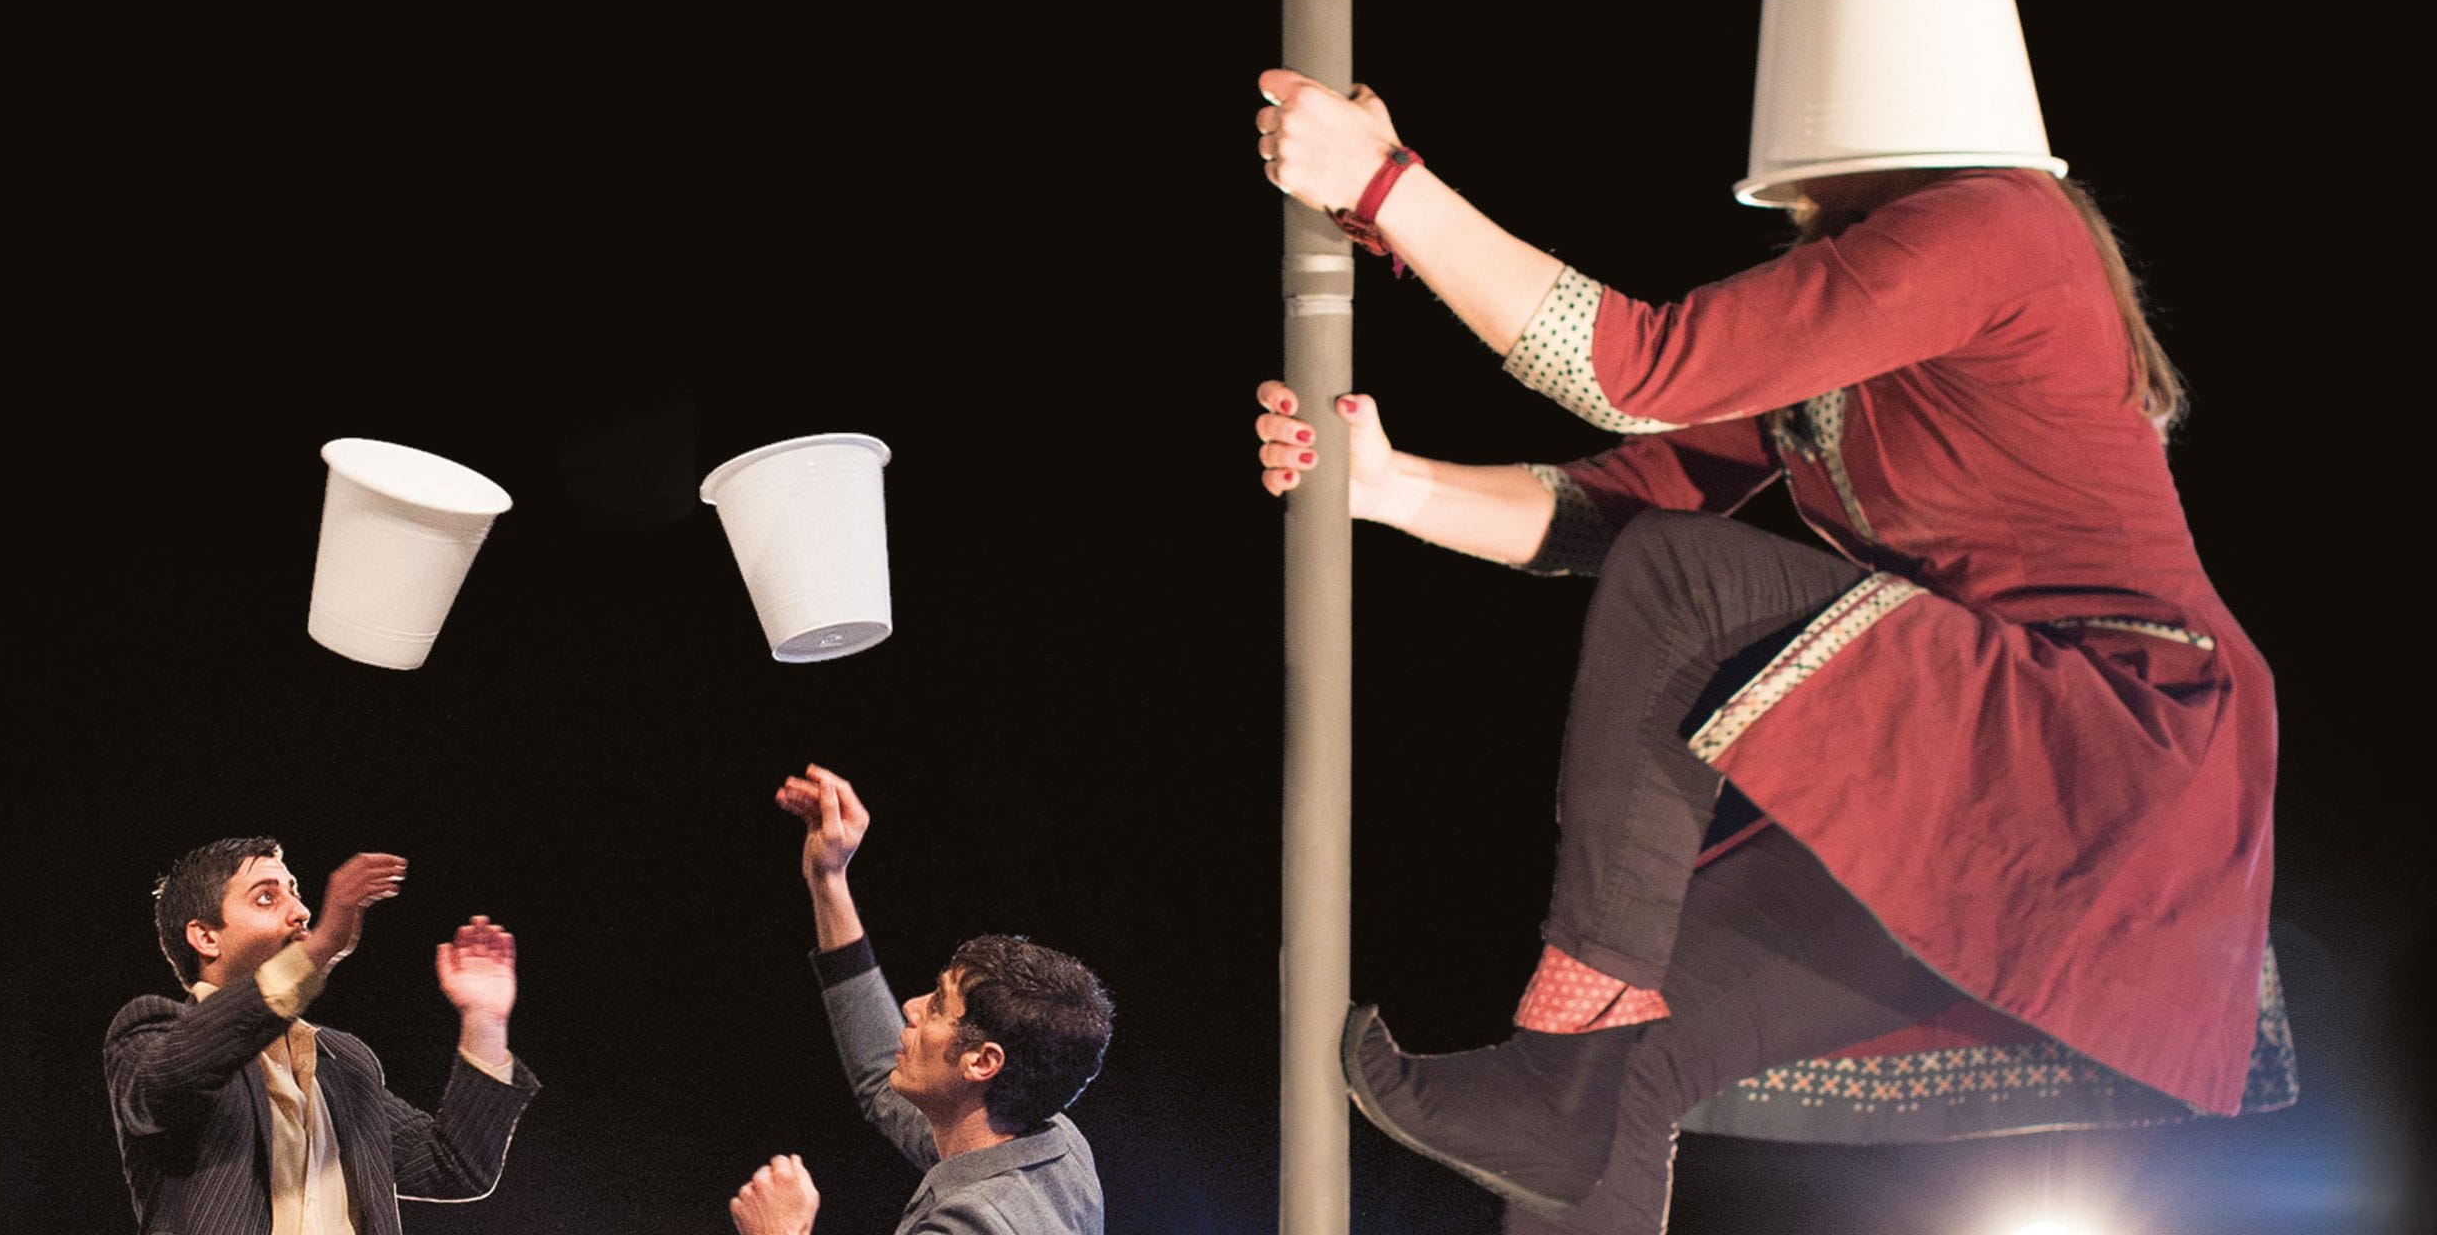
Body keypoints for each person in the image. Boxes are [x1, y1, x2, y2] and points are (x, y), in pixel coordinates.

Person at [1250, 67, 2284, 1228]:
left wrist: (1387, 188)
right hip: (1987, 755)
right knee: (1632, 1067)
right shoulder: (1864, 285)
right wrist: (1394, 487)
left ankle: (1563, 1055)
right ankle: (1572, 1076)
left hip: (2108, 737)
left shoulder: (1999, 221)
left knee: (1687, 581)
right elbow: (1611, 511)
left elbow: (1638, 373)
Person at [104, 838, 538, 1235]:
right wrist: (321, 946)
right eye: (266, 897)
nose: (301, 912)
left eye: (295, 892)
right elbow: (172, 1077)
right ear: (205, 937)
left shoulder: (343, 1061)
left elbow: (454, 1167)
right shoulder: (151, 1030)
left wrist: (483, 1019)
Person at [754, 764, 1112, 1235]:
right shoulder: (1050, 1143)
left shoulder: (974, 1225)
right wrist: (829, 879)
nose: (912, 1006)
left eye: (939, 1006)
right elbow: (881, 1076)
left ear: (983, 1062)